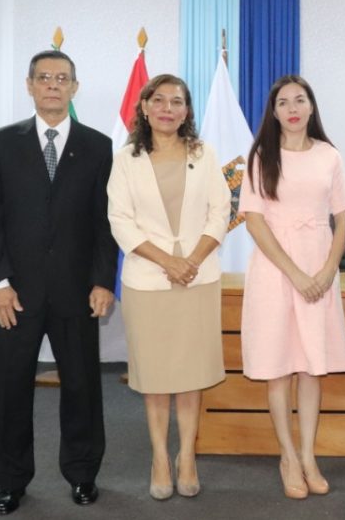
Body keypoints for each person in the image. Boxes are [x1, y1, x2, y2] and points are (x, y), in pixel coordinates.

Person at [0, 50, 118, 515]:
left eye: (62, 78)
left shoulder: (98, 146)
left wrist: (102, 281)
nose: (53, 85)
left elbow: (104, 222)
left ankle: (82, 474)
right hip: (15, 293)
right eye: (44, 78)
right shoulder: (2, 142)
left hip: (77, 291)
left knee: (82, 387)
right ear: (29, 85)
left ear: (75, 87)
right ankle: (11, 482)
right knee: (11, 387)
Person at [106, 74, 230, 500]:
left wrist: (191, 261)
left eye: (177, 102)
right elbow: (120, 220)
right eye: (159, 100)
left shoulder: (204, 153)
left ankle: (187, 456)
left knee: (191, 374)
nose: (168, 108)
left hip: (198, 278)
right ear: (144, 107)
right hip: (147, 281)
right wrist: (168, 262)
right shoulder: (126, 159)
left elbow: (220, 212)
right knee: (156, 376)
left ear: (187, 111)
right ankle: (160, 456)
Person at [239, 75, 345, 500]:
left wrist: (328, 270)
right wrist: (296, 274)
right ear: (273, 111)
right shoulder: (260, 156)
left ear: (310, 107)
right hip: (275, 269)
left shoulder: (329, 155)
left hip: (319, 265)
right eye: (283, 101)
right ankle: (286, 455)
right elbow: (254, 221)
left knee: (310, 366)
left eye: (299, 100)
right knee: (279, 366)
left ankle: (308, 455)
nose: (292, 107)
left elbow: (343, 217)